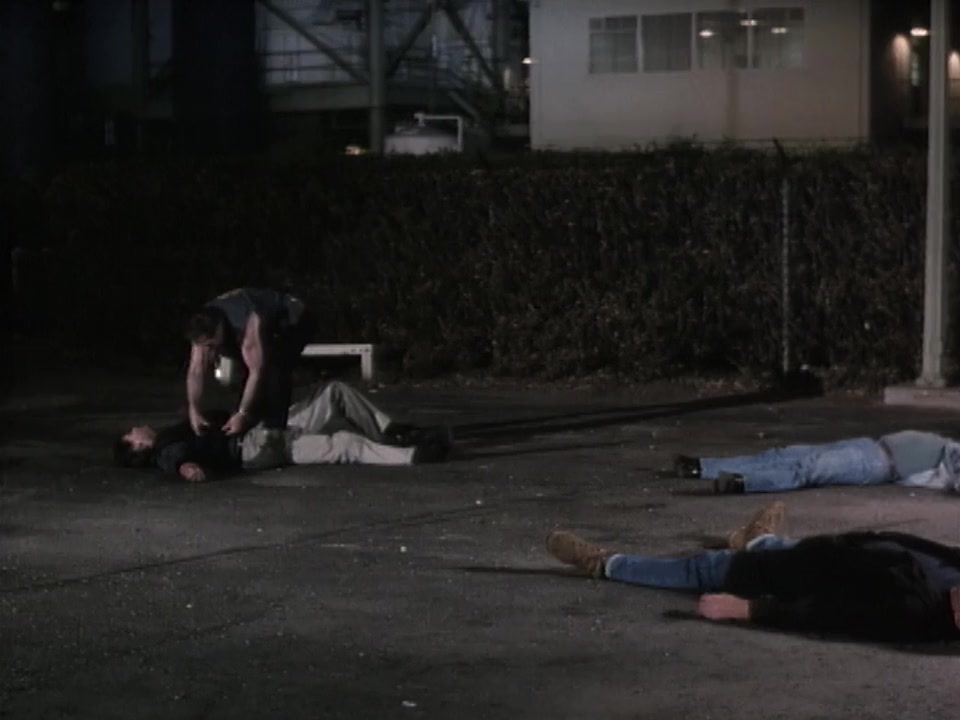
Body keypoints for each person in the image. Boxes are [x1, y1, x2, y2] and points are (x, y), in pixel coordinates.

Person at [546, 504, 960, 644]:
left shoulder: (912, 610)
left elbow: (827, 615)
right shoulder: (952, 570)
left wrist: (747, 610)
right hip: (820, 553)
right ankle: (759, 538)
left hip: (782, 577)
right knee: (780, 548)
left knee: (703, 568)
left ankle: (605, 563)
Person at [113, 381, 453, 482]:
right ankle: (413, 455)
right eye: (132, 432)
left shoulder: (170, 436)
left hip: (261, 426)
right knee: (344, 445)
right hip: (254, 445)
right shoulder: (165, 448)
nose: (137, 426)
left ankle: (392, 432)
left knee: (334, 392)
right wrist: (186, 469)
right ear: (137, 445)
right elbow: (176, 458)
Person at [183, 287, 316, 438]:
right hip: (250, 318)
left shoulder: (248, 325)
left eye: (212, 346)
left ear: (219, 329)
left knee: (273, 367)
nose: (211, 351)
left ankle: (275, 430)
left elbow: (256, 372)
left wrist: (243, 413)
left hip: (294, 316)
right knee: (234, 372)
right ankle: (247, 419)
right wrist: (194, 409)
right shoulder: (203, 321)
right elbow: (196, 370)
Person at [671, 430, 960, 494]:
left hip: (877, 462)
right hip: (871, 445)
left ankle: (743, 483)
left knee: (807, 469)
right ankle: (701, 467)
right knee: (782, 454)